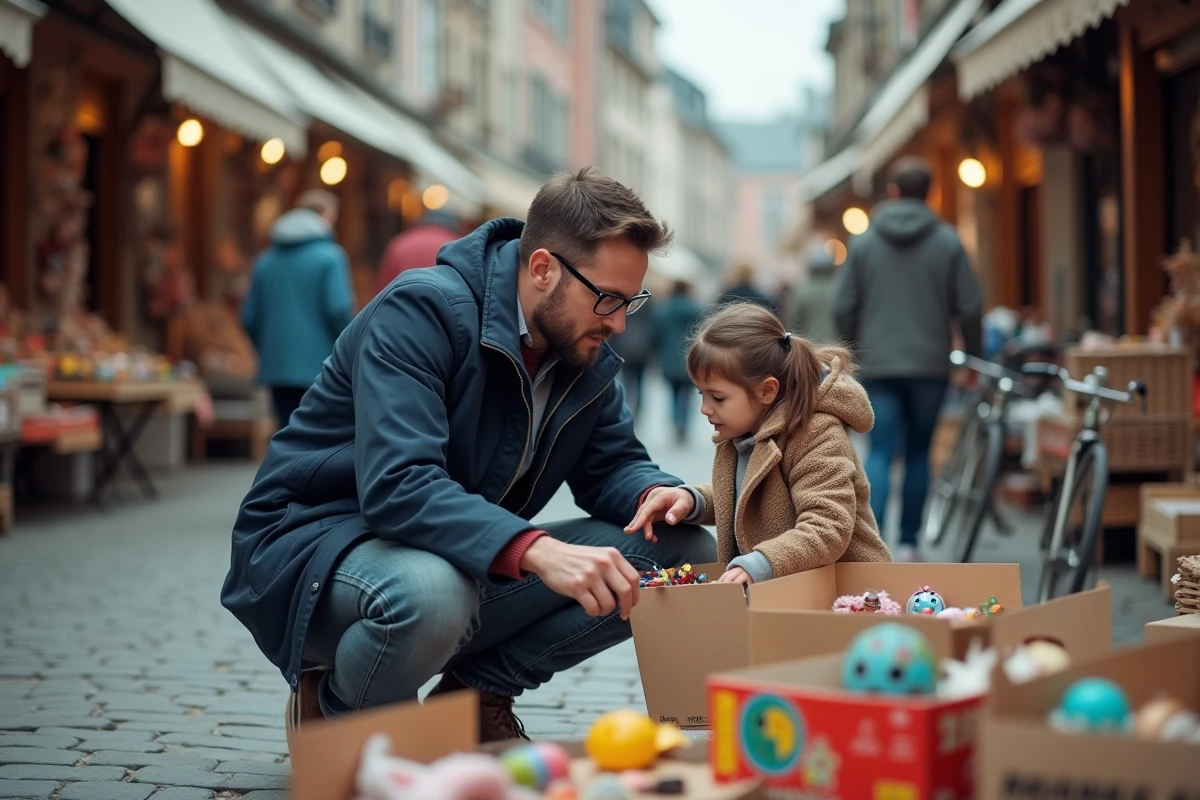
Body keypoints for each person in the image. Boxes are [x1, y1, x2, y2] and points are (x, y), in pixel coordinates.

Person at [221, 167, 717, 751]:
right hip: (316, 549)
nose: (617, 323)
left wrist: (656, 496)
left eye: (630, 300)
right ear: (542, 269)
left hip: (450, 554)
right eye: (606, 298)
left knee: (682, 555)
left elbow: (611, 465)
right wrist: (534, 549)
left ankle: (475, 695)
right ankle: (335, 720)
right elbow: (399, 483)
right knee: (433, 594)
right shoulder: (423, 312)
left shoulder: (580, 349)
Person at [628, 302, 891, 585]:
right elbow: (749, 498)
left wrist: (761, 563)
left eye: (717, 398)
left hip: (847, 593)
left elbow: (827, 527)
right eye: (700, 394)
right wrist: (692, 500)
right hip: (789, 590)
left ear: (766, 391)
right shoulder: (742, 430)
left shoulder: (817, 432)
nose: (704, 409)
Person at [831, 156, 983, 562]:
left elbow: (842, 303)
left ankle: (873, 543)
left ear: (893, 191)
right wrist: (971, 356)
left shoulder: (863, 242)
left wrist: (853, 346)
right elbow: (969, 306)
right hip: (930, 365)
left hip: (877, 364)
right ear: (930, 192)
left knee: (879, 452)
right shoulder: (948, 240)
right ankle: (910, 542)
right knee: (918, 452)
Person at [241, 188, 355, 428]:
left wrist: (268, 348)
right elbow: (338, 308)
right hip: (322, 365)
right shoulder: (331, 256)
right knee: (318, 438)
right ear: (325, 216)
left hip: (276, 366)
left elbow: (249, 316)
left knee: (285, 433)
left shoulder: (264, 261)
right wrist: (351, 348)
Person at [653, 280, 703, 443]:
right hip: (690, 357)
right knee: (688, 395)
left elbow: (658, 334)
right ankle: (684, 423)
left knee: (673, 394)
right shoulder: (695, 309)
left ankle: (676, 422)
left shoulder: (665, 310)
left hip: (669, 357)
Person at [375, 209, 461, 295]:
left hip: (404, 303)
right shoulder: (456, 245)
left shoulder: (400, 242)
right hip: (444, 305)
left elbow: (383, 287)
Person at [609, 296, 655, 421]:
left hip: (625, 348)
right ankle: (637, 409)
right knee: (639, 382)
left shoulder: (623, 301)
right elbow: (653, 327)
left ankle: (626, 408)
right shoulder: (648, 304)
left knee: (628, 381)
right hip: (642, 349)